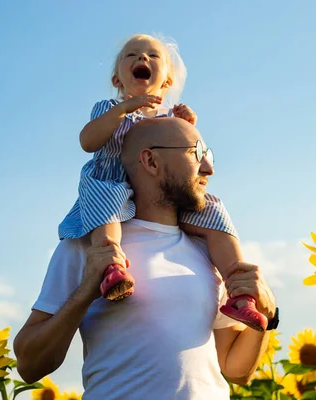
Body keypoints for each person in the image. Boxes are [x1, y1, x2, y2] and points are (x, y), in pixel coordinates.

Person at [14, 117, 279, 399]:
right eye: (197, 153)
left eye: (209, 155)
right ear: (151, 161)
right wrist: (85, 292)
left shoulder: (209, 250)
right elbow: (29, 366)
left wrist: (269, 313)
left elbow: (235, 369)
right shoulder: (88, 246)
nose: (209, 168)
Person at [59, 33, 269, 330]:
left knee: (214, 210)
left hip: (161, 193)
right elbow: (87, 141)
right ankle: (112, 267)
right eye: (131, 55)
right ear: (117, 79)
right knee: (107, 201)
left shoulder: (170, 118)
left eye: (152, 56)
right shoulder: (109, 109)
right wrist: (122, 111)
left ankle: (240, 289)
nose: (142, 58)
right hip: (112, 181)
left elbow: (190, 164)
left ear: (167, 81)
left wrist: (187, 127)